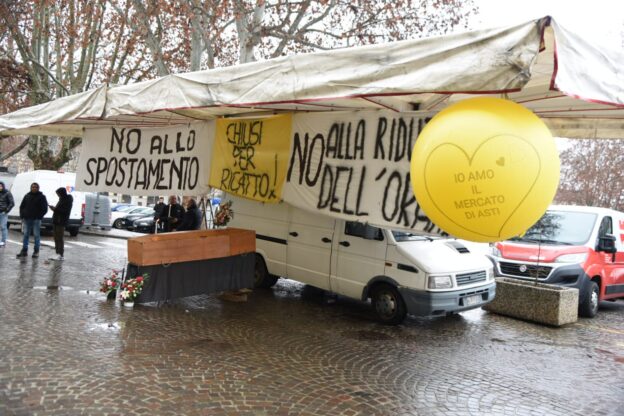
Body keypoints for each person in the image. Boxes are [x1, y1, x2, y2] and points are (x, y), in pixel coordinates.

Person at [16, 182, 48, 258]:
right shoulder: (27, 196)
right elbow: (22, 206)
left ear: (38, 188)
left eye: (35, 187)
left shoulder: (42, 197)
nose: (34, 188)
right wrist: (22, 215)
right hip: (27, 219)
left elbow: (44, 209)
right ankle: (24, 250)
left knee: (36, 235)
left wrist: (39, 216)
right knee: (25, 235)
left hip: (36, 219)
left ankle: (36, 251)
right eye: (33, 187)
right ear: (31, 188)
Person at [48, 187, 73, 261]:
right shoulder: (61, 199)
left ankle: (60, 254)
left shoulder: (67, 200)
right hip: (56, 220)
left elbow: (65, 211)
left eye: (58, 194)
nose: (58, 195)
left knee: (59, 238)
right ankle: (57, 253)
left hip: (61, 221)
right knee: (56, 237)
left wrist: (55, 209)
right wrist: (54, 209)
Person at [0, 181, 15, 248]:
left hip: (3, 213)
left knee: (3, 227)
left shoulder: (7, 193)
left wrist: (6, 211)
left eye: (1, 186)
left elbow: (12, 203)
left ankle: (3, 241)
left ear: (3, 186)